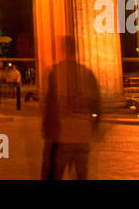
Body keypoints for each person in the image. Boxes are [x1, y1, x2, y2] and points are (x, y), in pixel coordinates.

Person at [41, 35, 102, 180]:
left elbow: (49, 106)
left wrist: (47, 130)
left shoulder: (54, 72)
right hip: (82, 136)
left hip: (61, 137)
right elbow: (97, 105)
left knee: (52, 175)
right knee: (81, 176)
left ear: (62, 50)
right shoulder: (87, 73)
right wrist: (93, 127)